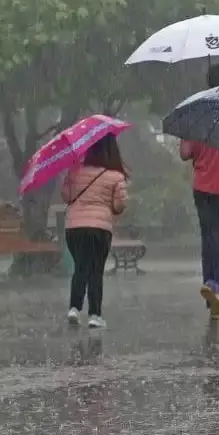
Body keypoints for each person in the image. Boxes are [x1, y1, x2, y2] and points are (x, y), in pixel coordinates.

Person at [182, 63, 219, 318]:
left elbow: (185, 153)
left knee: (210, 241)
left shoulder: (197, 113)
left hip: (202, 187)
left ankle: (211, 295)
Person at [63, 134, 129, 329]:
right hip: (99, 229)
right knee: (96, 270)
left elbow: (66, 196)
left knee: (81, 267)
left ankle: (74, 308)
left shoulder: (75, 171)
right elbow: (119, 205)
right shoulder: (115, 176)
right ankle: (94, 314)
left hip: (74, 228)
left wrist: (70, 176)